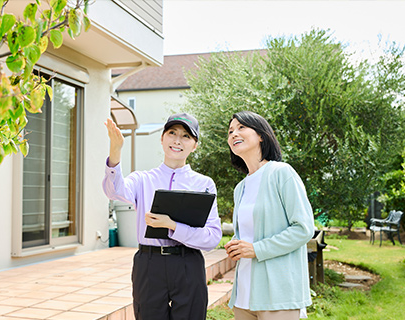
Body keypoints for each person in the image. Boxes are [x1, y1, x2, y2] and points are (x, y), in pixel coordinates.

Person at [102, 113, 222, 320]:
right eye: (172, 133)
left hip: (188, 264)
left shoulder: (204, 184)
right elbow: (114, 191)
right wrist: (116, 150)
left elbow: (212, 238)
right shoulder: (142, 179)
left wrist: (174, 226)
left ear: (195, 145)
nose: (177, 140)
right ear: (162, 138)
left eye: (186, 136)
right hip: (149, 264)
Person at [224, 111, 314, 320]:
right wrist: (237, 245)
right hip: (244, 295)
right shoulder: (241, 188)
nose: (233, 134)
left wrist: (256, 249)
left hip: (277, 294)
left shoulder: (282, 173)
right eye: (230, 131)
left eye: (241, 127)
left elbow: (303, 228)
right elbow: (250, 233)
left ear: (261, 135)